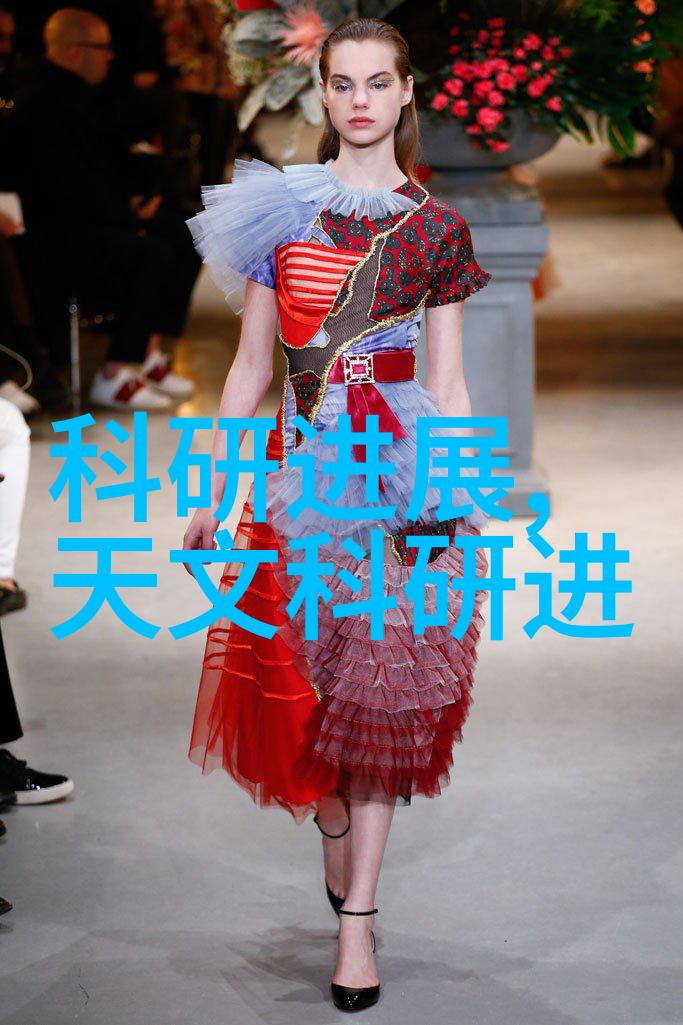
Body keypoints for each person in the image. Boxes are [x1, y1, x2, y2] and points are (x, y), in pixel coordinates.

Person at [181, 17, 491, 1013]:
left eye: (377, 83)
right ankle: (329, 816)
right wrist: (215, 490)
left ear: (406, 94)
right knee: (307, 688)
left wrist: (451, 497)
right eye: (342, 83)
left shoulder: (436, 230)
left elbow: (448, 379)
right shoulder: (278, 213)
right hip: (296, 477)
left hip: (400, 481)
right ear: (320, 91)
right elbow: (249, 368)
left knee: (384, 694)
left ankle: (357, 919)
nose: (359, 100)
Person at [4, 8, 199, 410]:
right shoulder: (39, 103)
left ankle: (148, 352)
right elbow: (65, 187)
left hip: (95, 216)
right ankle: (115, 372)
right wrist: (129, 213)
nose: (110, 56)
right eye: (102, 47)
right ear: (74, 51)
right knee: (151, 253)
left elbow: (110, 160)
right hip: (55, 235)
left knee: (187, 231)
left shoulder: (87, 95)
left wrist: (143, 195)